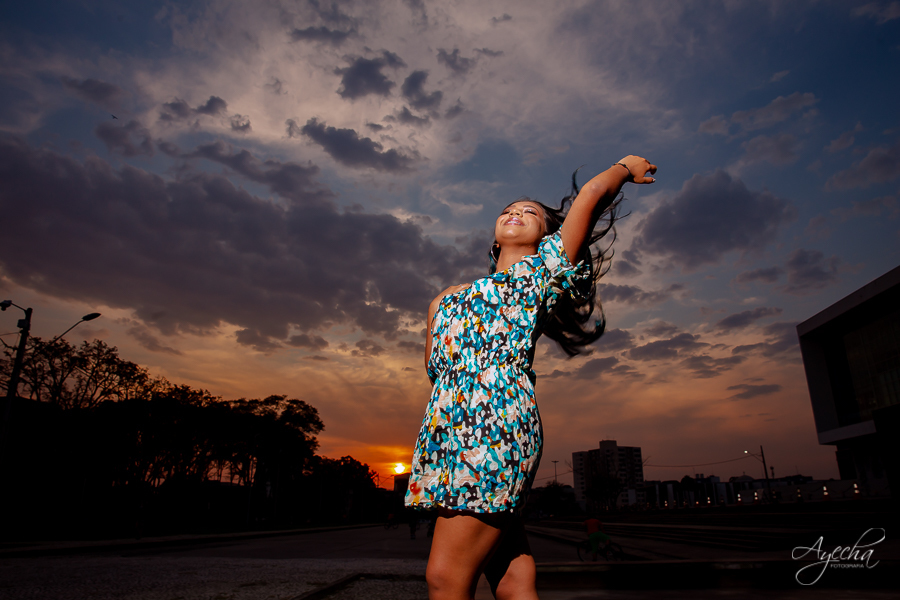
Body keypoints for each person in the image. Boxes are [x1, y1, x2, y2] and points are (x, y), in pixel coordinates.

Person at [405, 156, 657, 600]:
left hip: (496, 430)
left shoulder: (542, 272)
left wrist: (624, 167)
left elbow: (591, 195)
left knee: (445, 578)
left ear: (548, 236)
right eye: (508, 210)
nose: (515, 213)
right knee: (511, 580)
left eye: (530, 212)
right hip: (448, 433)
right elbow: (437, 373)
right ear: (493, 236)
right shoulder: (443, 299)